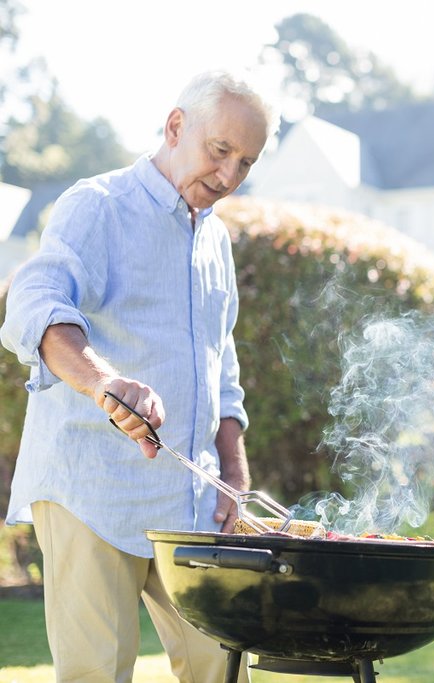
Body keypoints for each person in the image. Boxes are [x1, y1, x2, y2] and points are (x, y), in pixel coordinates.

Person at [0, 69, 278, 682]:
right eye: (220, 151)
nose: (230, 177)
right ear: (176, 126)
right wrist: (104, 381)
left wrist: (232, 470)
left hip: (191, 496)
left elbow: (219, 359)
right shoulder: (97, 206)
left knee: (224, 665)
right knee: (98, 673)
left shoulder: (216, 240)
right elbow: (35, 301)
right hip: (90, 489)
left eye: (246, 163)